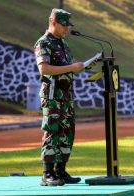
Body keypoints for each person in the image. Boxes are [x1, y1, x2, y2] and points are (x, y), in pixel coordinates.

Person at [34, 8, 86, 186]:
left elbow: (67, 67)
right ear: (53, 22)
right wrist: (72, 68)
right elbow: (44, 69)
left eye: (68, 26)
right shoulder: (44, 43)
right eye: (64, 25)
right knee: (52, 131)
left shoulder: (63, 44)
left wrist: (82, 67)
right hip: (52, 95)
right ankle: (47, 174)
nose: (67, 29)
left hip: (66, 95)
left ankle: (60, 171)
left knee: (67, 133)